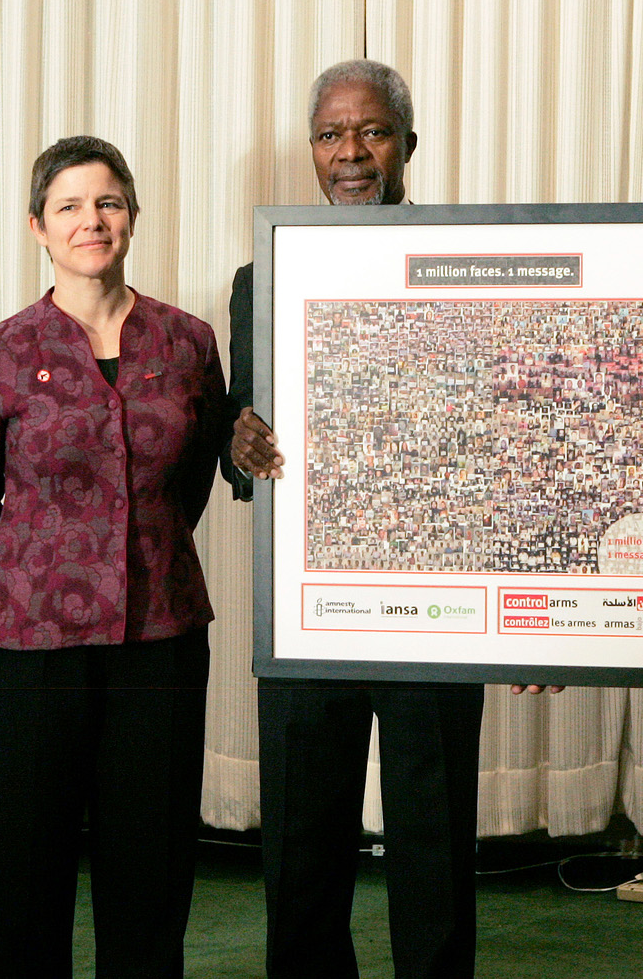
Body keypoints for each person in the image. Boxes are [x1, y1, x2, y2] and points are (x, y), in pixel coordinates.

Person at [225, 59, 489, 979]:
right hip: (309, 608)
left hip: (437, 608)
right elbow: (237, 430)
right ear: (310, 151)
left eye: (371, 131)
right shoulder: (262, 278)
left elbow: (499, 434)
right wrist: (241, 440)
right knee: (301, 841)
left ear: (407, 145)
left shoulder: (467, 261)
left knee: (435, 840)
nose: (351, 152)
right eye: (332, 135)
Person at [0, 135, 230, 977]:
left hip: (162, 633)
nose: (91, 220)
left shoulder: (188, 341)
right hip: (25, 644)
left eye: (107, 202)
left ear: (134, 216)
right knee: (23, 875)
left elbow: (195, 478)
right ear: (37, 225)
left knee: (150, 872)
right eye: (69, 205)